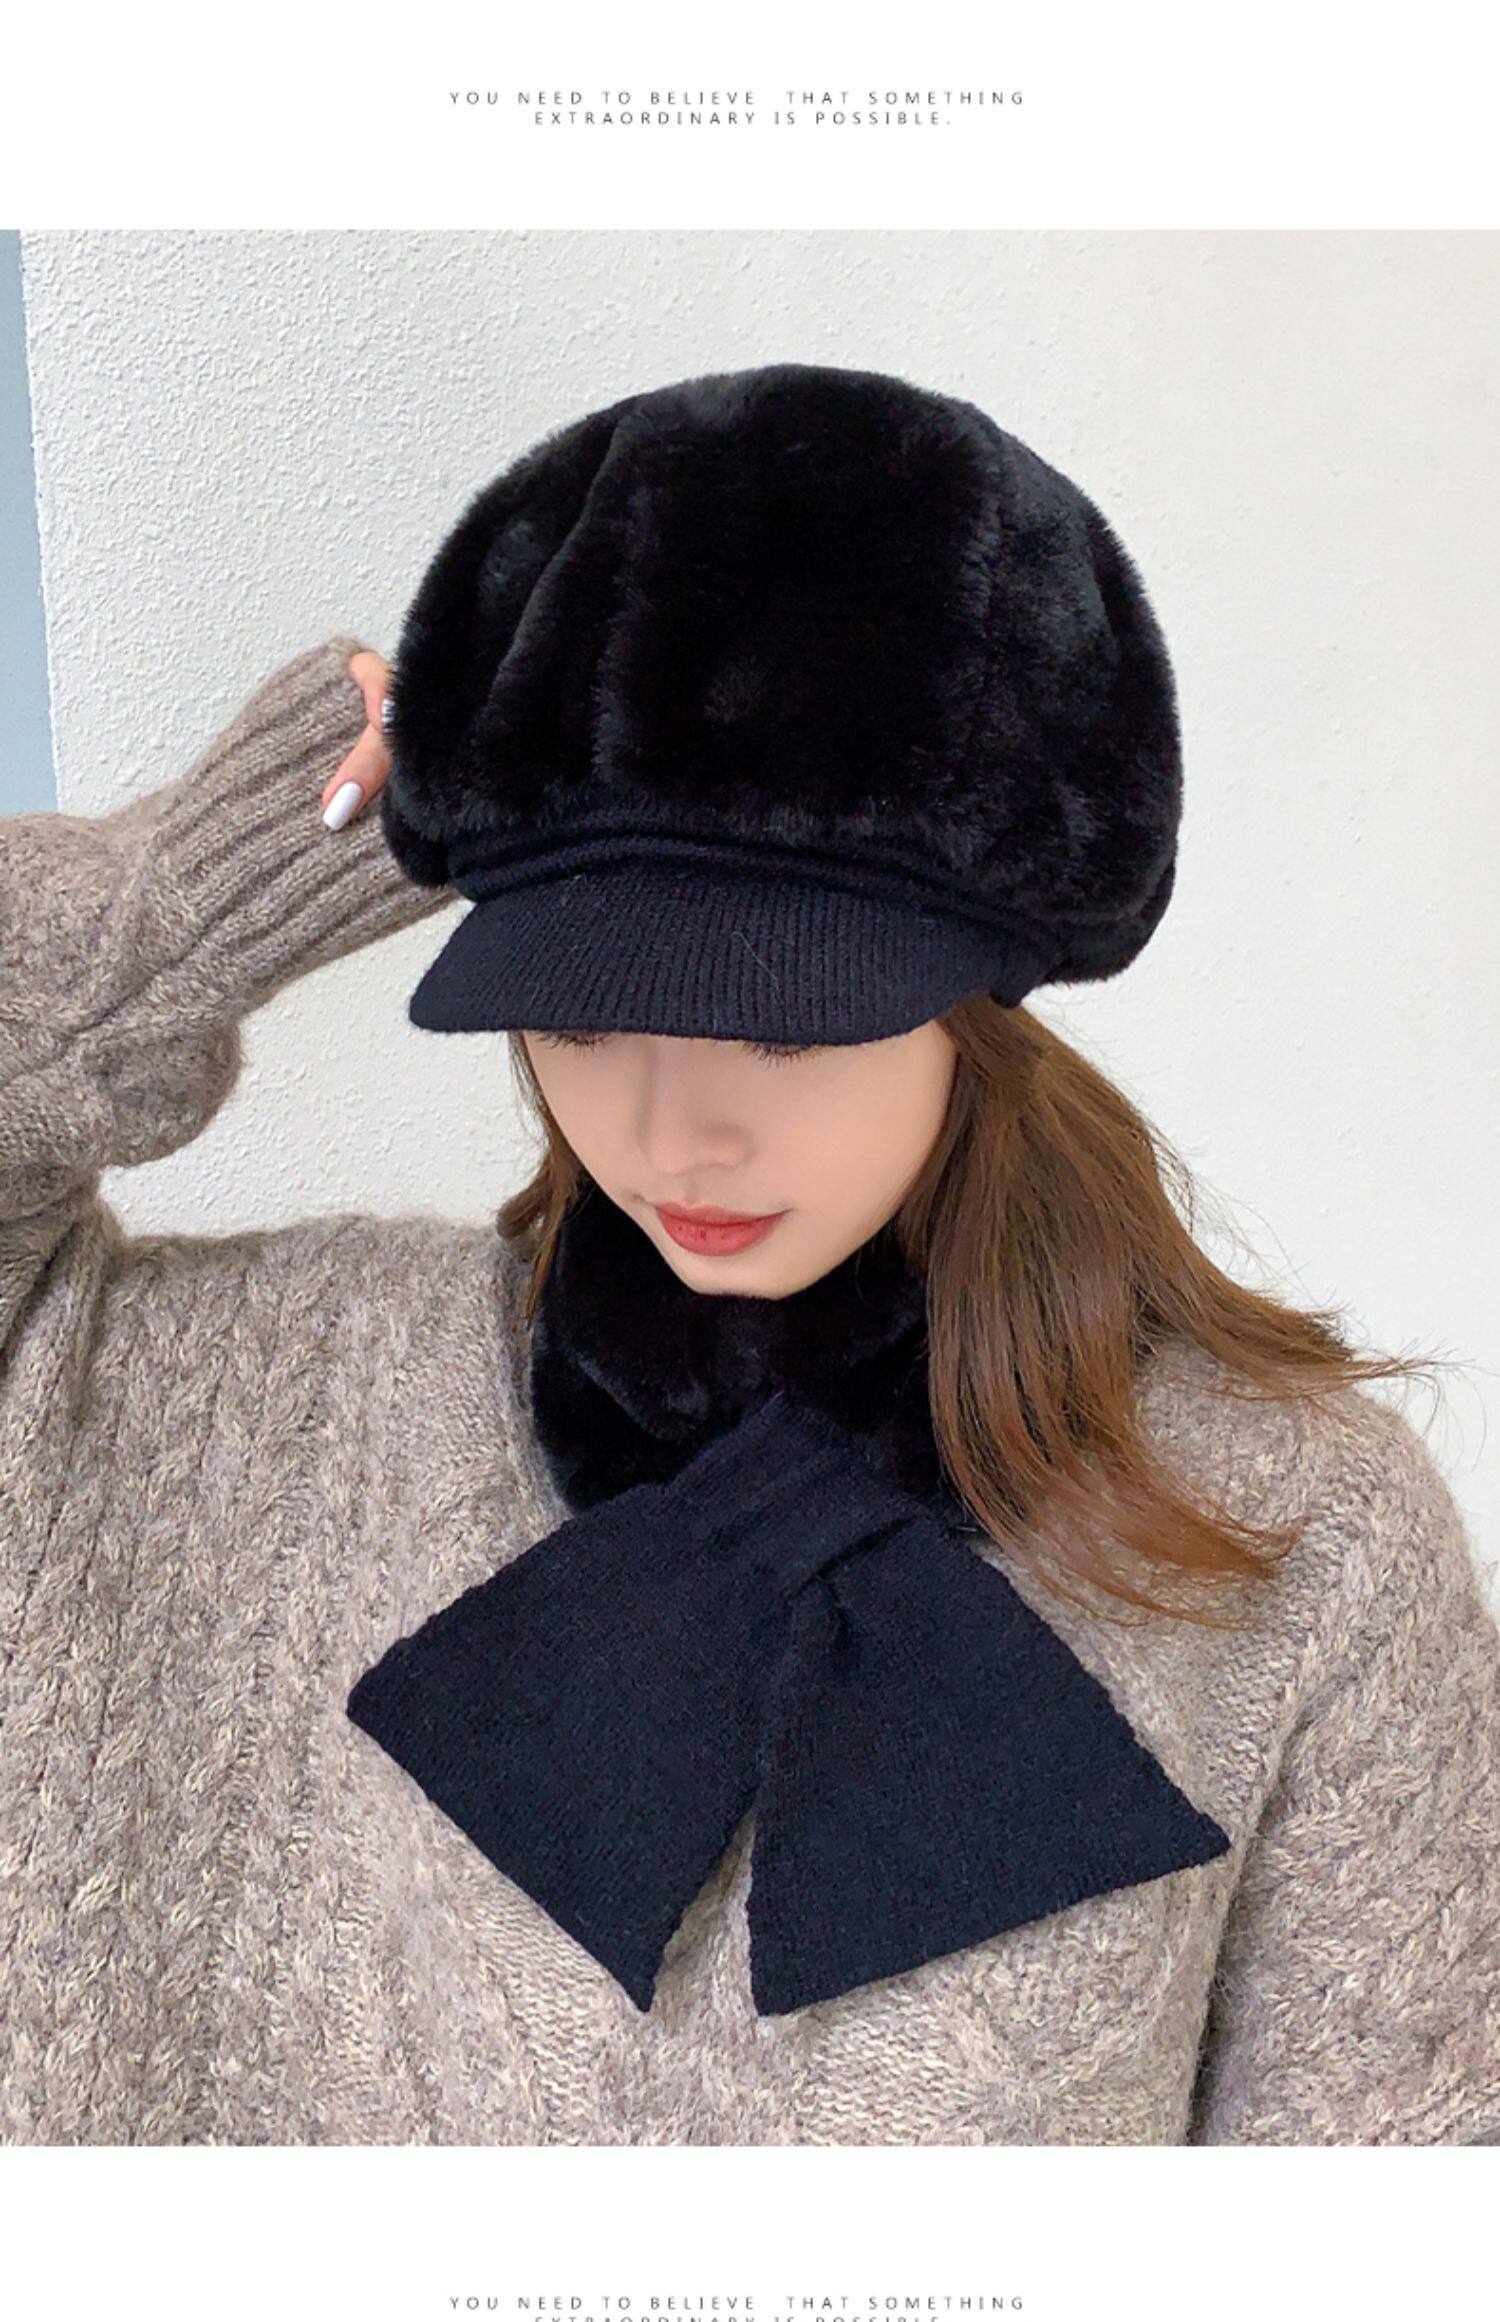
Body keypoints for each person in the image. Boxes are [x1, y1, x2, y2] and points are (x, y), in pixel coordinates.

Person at [2, 363, 1497, 2148]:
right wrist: (199, 896)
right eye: (580, 1011)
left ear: (974, 1004)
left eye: (783, 1024)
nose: (670, 1133)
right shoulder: (288, 1397)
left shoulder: (1300, 1537)